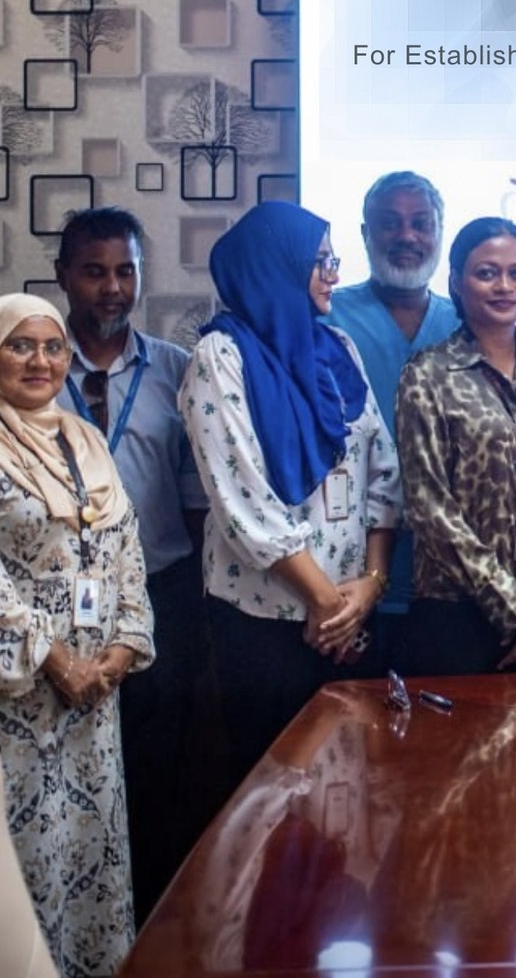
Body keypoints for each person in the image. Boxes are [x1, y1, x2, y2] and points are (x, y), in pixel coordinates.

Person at [0, 294, 152, 978]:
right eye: (19, 346)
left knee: (85, 858)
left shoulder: (84, 439)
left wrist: (123, 646)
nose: (40, 361)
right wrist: (53, 658)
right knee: (10, 867)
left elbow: (125, 548)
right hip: (3, 699)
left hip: (90, 699)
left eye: (52, 347)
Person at [182, 201, 398, 789]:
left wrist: (370, 587)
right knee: (274, 793)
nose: (333, 274)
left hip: (349, 613)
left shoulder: (338, 348)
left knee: (344, 789)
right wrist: (326, 604)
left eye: (333, 260)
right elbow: (242, 501)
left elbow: (383, 470)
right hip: (268, 622)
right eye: (319, 261)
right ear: (275, 265)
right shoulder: (220, 356)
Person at [53, 205, 210, 918]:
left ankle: (146, 920)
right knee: (69, 759)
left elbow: (197, 498)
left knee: (158, 764)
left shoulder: (176, 370)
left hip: (159, 593)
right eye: (94, 271)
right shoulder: (31, 364)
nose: (112, 288)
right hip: (59, 600)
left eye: (125, 271)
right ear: (64, 275)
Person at [398, 218, 516, 674]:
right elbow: (428, 506)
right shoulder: (428, 374)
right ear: (456, 282)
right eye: (486, 273)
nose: (505, 286)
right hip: (457, 610)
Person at [325, 171, 457, 668]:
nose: (407, 236)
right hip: (346, 567)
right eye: (390, 223)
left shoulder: (466, 323)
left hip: (448, 572)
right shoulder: (326, 318)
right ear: (365, 233)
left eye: (421, 223)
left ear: (439, 232)